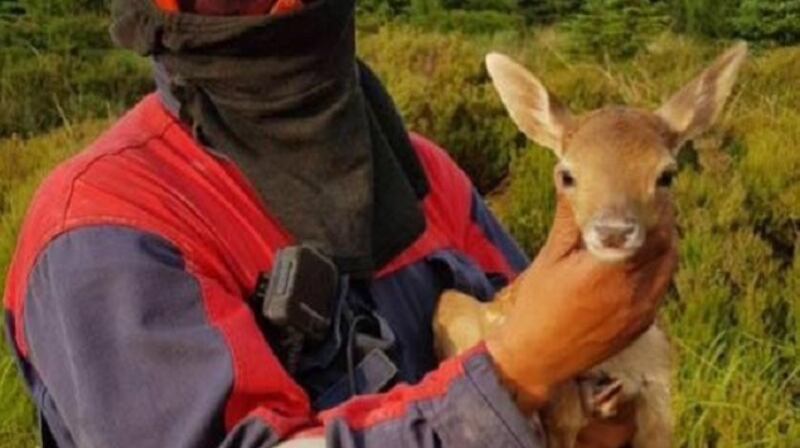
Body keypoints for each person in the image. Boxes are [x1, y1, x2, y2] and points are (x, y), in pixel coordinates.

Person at [3, 0, 677, 447]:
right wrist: (516, 372)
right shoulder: (107, 229)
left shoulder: (423, 175)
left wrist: (599, 411)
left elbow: (580, 386)